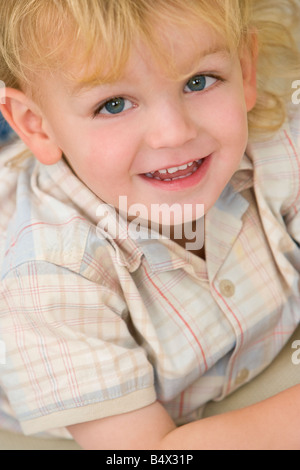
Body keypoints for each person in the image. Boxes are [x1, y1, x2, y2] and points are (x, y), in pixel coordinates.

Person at [0, 0, 299, 450]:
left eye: (199, 82)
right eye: (114, 104)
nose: (173, 133)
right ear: (38, 126)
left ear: (245, 69)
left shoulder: (279, 146)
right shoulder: (49, 278)